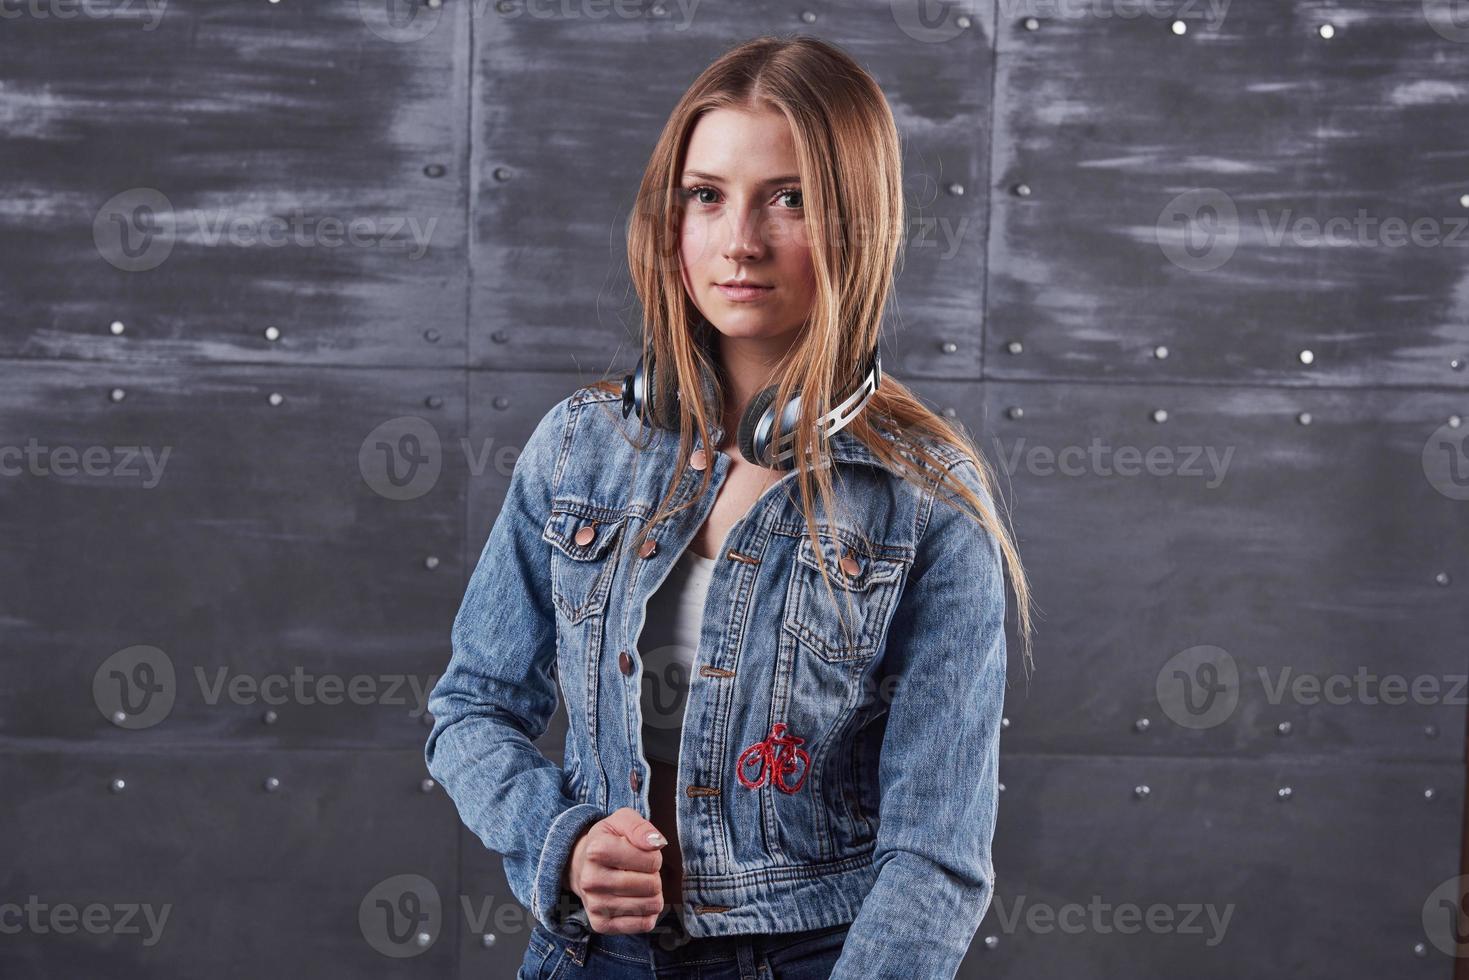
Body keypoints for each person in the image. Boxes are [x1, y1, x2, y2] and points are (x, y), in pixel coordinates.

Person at [425, 34, 1034, 980]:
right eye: (705, 196)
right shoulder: (580, 446)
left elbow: (935, 859)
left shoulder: (926, 503)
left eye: (788, 199)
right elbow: (469, 708)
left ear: (856, 222)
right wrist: (562, 842)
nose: (739, 240)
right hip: (590, 958)